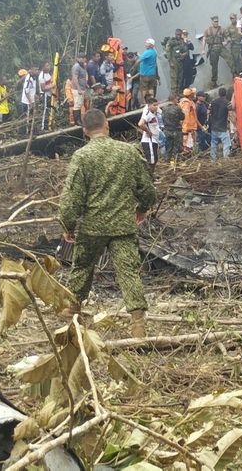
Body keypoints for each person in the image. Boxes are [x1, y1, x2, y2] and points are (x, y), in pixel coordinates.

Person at [58, 109, 156, 338]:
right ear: (107, 126)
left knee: (82, 267)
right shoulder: (128, 152)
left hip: (92, 226)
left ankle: (73, 309)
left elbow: (72, 197)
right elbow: (147, 188)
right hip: (123, 225)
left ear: (84, 131)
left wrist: (68, 225)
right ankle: (138, 323)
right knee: (129, 272)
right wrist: (142, 208)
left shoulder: (82, 157)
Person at [209, 88, 233, 160]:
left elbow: (209, 112)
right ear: (226, 94)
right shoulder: (227, 103)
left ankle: (213, 159)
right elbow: (231, 112)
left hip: (214, 127)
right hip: (223, 127)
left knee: (213, 144)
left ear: (218, 94)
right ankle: (226, 159)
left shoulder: (213, 102)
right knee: (226, 144)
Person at [136, 99, 161, 168]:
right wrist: (148, 131)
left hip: (154, 140)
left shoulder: (154, 114)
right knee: (151, 161)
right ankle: (149, 173)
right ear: (149, 105)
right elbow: (140, 124)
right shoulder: (147, 114)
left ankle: (151, 173)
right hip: (149, 141)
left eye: (157, 105)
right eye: (154, 105)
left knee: (155, 159)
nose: (156, 107)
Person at [203, 15, 226, 88]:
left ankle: (235, 74)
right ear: (212, 22)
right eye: (215, 21)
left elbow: (227, 37)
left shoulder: (221, 29)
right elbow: (204, 39)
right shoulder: (208, 30)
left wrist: (226, 42)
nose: (216, 23)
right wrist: (203, 49)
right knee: (214, 66)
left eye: (217, 21)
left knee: (230, 58)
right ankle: (214, 82)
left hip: (221, 47)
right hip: (212, 49)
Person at [160, 96, 184, 167]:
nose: (177, 101)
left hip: (167, 130)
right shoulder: (177, 108)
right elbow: (182, 117)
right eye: (177, 99)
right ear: (174, 100)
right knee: (176, 148)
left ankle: (168, 162)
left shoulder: (164, 108)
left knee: (168, 147)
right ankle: (174, 162)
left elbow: (162, 118)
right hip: (176, 130)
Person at [70, 55, 90, 125]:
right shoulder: (76, 66)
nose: (83, 59)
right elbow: (75, 78)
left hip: (83, 88)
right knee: (77, 104)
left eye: (84, 58)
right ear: (78, 59)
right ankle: (77, 121)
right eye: (81, 58)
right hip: (77, 89)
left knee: (80, 104)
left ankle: (79, 120)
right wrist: (78, 89)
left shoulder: (83, 66)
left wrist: (86, 84)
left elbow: (83, 77)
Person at [138, 39, 159, 104]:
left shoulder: (147, 52)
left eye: (147, 43)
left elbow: (140, 60)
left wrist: (133, 67)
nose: (145, 44)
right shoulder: (154, 52)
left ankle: (143, 101)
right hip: (152, 73)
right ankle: (152, 100)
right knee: (151, 87)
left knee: (144, 88)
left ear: (151, 45)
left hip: (145, 73)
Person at [179, 88, 198, 155]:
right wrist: (187, 128)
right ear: (190, 95)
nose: (194, 94)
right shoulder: (186, 103)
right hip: (187, 127)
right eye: (193, 93)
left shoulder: (190, 102)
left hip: (191, 126)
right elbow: (185, 115)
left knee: (190, 144)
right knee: (187, 145)